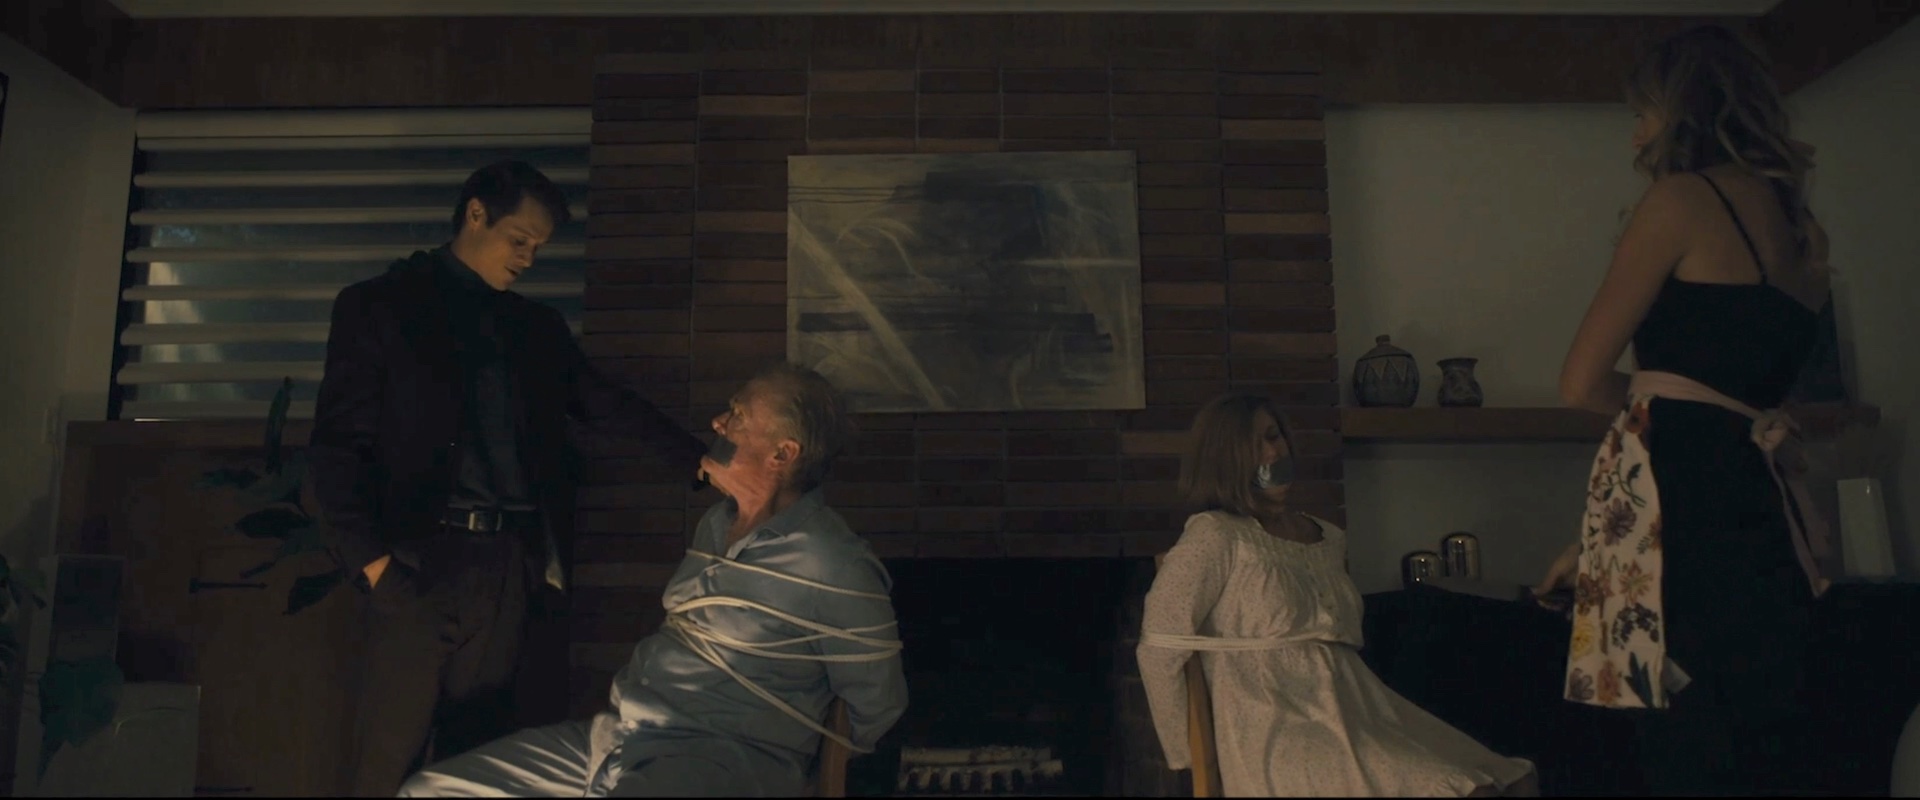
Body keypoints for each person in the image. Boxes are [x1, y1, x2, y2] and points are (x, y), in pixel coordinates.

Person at [309, 161, 711, 796]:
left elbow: (603, 402)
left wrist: (700, 461)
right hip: (419, 558)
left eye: (538, 247)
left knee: (478, 764)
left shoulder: (534, 328)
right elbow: (335, 448)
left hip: (506, 566)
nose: (527, 258)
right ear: (475, 214)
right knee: (389, 754)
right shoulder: (381, 306)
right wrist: (376, 566)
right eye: (519, 239)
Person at [1534, 24, 1836, 795]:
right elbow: (1742, 387)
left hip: (1684, 520)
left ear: (1685, 107)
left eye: (1643, 112)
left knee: (1678, 742)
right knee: (1762, 737)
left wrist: (1651, 403)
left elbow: (1582, 381)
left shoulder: (1680, 202)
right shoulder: (1806, 234)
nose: (1636, 133)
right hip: (1761, 507)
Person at [398, 364, 909, 797]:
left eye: (738, 415)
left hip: (720, 760)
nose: (718, 422)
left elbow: (877, 702)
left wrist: (802, 771)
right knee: (431, 792)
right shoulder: (717, 523)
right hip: (623, 736)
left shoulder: (831, 560)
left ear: (782, 454)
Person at [1139, 393, 1537, 797]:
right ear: (1227, 459)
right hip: (1276, 726)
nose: (1273, 452)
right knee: (1458, 791)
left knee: (1511, 779)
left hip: (1360, 706)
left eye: (1274, 436)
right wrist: (1188, 755)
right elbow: (1158, 647)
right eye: (1254, 444)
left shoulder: (1328, 536)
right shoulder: (1215, 534)